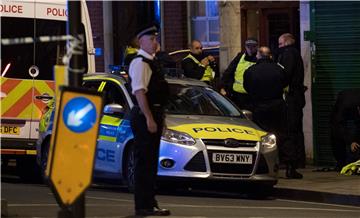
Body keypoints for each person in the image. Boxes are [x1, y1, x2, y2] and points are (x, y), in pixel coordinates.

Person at [128, 24, 170, 216]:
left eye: (156, 39)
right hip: (145, 115)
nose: (155, 42)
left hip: (155, 113)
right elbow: (139, 92)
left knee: (151, 162)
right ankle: (143, 206)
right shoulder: (140, 62)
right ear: (141, 41)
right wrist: (149, 118)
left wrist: (160, 117)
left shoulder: (151, 62)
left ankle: (150, 202)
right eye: (151, 39)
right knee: (144, 162)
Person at [243, 46, 302, 179]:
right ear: (269, 56)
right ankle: (290, 167)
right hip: (277, 106)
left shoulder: (250, 71)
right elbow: (285, 82)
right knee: (284, 135)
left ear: (258, 55)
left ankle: (261, 165)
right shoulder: (279, 69)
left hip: (258, 107)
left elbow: (247, 87)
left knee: (260, 137)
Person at [277, 33, 307, 168]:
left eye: (280, 44)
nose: (279, 47)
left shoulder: (288, 54)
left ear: (287, 43)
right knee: (296, 129)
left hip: (292, 97)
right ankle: (299, 160)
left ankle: (294, 160)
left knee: (291, 129)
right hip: (296, 96)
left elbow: (286, 74)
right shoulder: (295, 53)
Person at [220, 37, 258, 110]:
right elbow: (229, 72)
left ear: (257, 47)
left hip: (252, 96)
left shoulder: (259, 58)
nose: (250, 48)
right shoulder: (240, 57)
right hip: (237, 95)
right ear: (245, 46)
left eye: (253, 46)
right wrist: (222, 87)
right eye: (248, 46)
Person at [330, 89, 360, 170]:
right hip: (340, 113)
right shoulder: (344, 104)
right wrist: (351, 141)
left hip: (353, 103)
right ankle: (340, 163)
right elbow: (339, 125)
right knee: (336, 133)